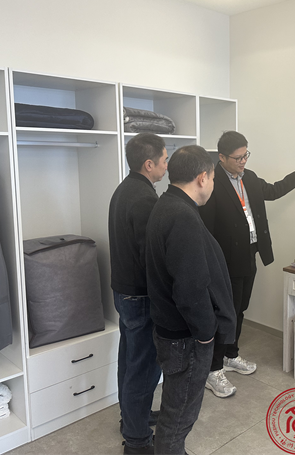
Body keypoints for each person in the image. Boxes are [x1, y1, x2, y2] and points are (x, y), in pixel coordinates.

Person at [199, 130, 295, 398]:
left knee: (240, 308)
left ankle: (231, 355)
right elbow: (206, 226)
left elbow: (272, 191)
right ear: (222, 157)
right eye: (238, 158)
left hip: (248, 253)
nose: (243, 161)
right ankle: (213, 370)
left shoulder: (248, 177)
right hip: (224, 258)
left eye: (246, 155)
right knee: (224, 313)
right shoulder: (212, 182)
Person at [146, 145, 236, 455]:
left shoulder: (167, 204)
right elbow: (190, 288)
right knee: (180, 413)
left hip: (171, 329)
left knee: (176, 406)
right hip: (185, 337)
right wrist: (206, 333)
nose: (212, 184)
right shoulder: (181, 216)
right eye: (213, 178)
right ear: (202, 178)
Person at [108, 133, 168, 455]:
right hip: (140, 297)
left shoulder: (124, 189)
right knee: (144, 368)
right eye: (164, 160)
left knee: (129, 361)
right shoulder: (145, 199)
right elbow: (150, 258)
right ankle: (137, 440)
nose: (166, 165)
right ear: (149, 164)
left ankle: (132, 418)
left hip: (124, 292)